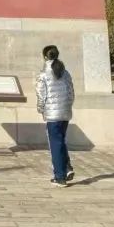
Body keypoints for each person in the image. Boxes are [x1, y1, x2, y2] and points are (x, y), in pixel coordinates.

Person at [36, 44, 75, 187]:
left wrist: (41, 109)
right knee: (61, 141)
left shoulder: (43, 75)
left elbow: (41, 96)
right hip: (65, 112)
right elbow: (71, 93)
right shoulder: (66, 73)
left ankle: (60, 177)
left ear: (45, 57)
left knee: (55, 145)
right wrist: (67, 107)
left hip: (52, 114)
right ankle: (67, 168)